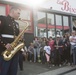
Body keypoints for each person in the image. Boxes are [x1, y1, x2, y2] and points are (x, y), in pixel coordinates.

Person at [0, 6, 21, 75]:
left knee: (13, 72)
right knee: (4, 71)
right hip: (4, 51)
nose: (19, 15)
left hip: (15, 52)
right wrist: (5, 44)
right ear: (13, 11)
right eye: (18, 13)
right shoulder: (3, 19)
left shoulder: (17, 24)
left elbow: (17, 37)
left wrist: (20, 38)